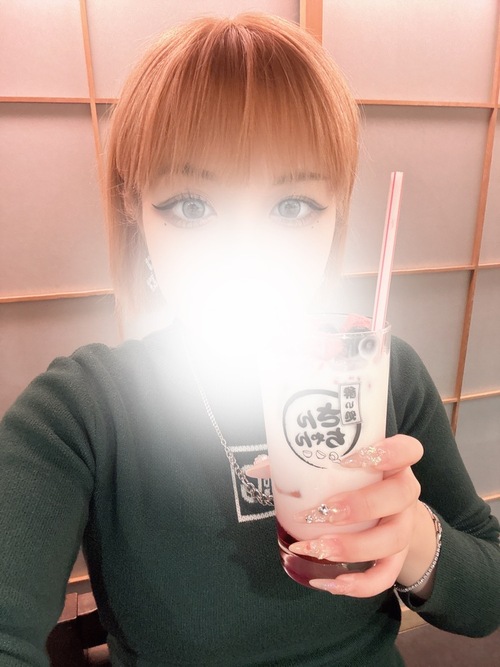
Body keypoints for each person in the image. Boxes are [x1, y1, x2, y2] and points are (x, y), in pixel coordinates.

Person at [0, 13, 499, 667]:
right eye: (192, 205)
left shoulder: (382, 372)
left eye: (292, 206)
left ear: (335, 215)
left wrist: (415, 541)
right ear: (135, 209)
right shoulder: (79, 412)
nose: (245, 254)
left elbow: (488, 594)